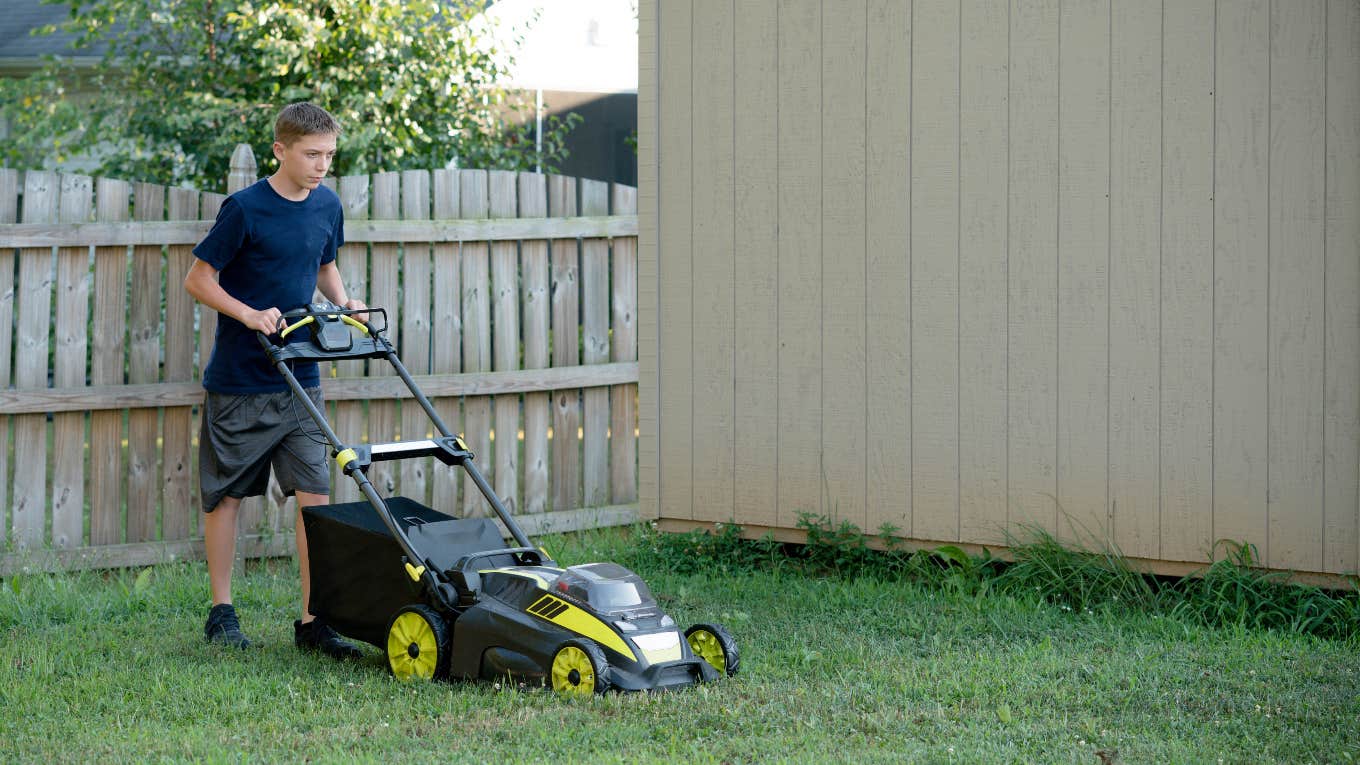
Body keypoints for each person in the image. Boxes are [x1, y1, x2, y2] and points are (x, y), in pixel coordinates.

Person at [185, 102, 366, 658]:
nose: (321, 166)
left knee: (316, 497)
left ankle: (314, 621)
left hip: (301, 378)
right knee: (227, 498)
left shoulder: (328, 205)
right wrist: (247, 313)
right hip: (240, 379)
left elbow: (323, 266)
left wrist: (345, 301)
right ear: (280, 150)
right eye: (312, 155)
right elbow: (198, 279)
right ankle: (222, 612)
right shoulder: (243, 209)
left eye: (330, 156)